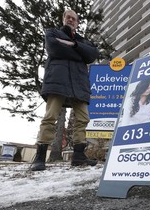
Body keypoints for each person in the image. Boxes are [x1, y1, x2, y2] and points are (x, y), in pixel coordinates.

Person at [30, 10, 99, 171]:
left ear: (77, 22)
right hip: (57, 80)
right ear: (63, 19)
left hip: (79, 83)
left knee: (83, 118)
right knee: (50, 116)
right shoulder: (52, 33)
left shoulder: (83, 41)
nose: (71, 19)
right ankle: (40, 157)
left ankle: (78, 156)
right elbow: (55, 49)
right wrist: (79, 53)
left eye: (74, 18)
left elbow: (92, 55)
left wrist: (74, 45)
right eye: (68, 17)